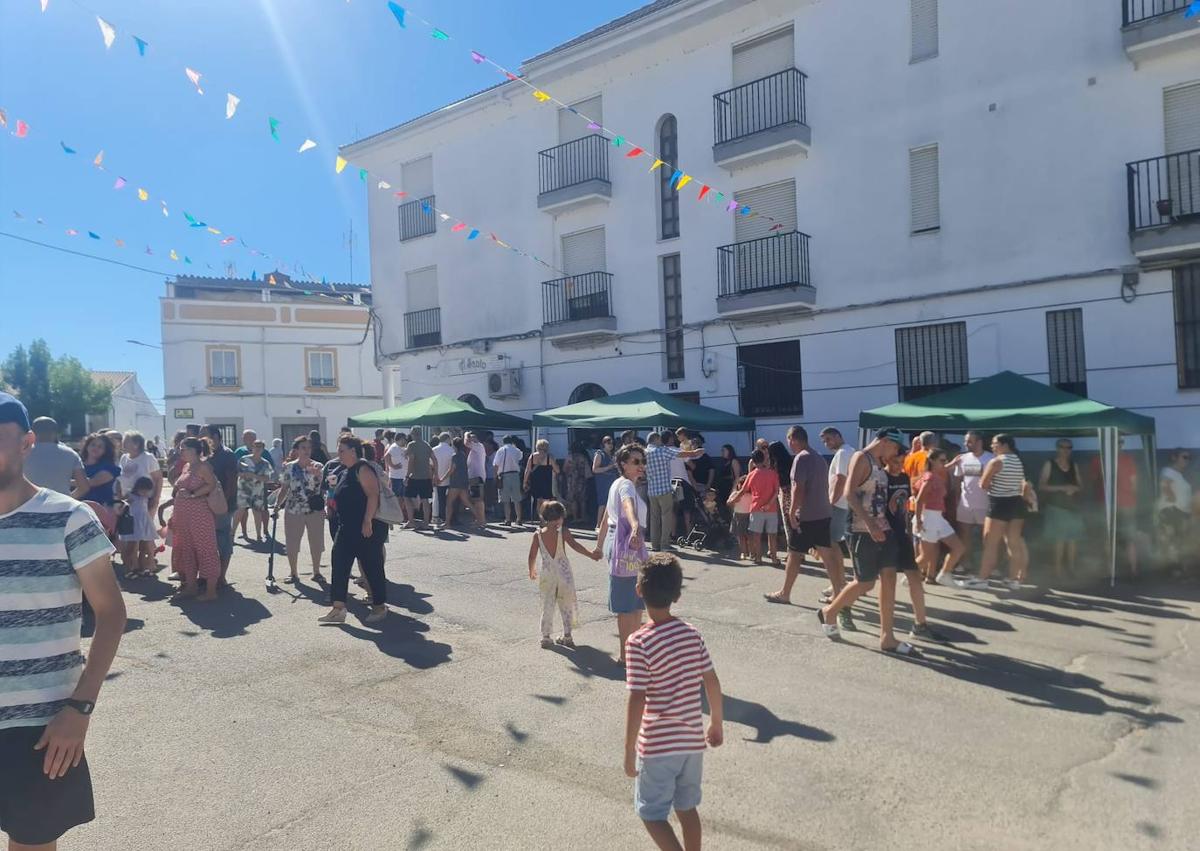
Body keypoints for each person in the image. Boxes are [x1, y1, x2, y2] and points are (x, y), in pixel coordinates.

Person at [0, 391, 126, 851]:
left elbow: (111, 615)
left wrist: (81, 708)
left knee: (32, 844)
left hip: (41, 725)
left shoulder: (69, 519)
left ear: (27, 442)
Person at [624, 553, 723, 851]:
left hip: (657, 746)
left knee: (652, 814)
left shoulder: (639, 642)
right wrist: (716, 722)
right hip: (692, 742)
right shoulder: (692, 635)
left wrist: (629, 749)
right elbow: (712, 681)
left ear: (638, 589)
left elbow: (637, 697)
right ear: (678, 595)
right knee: (686, 808)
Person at [817, 428, 919, 654]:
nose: (895, 452)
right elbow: (849, 493)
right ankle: (830, 612)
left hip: (884, 530)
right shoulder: (861, 458)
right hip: (862, 530)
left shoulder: (880, 462)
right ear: (884, 441)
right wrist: (870, 524)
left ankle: (887, 637)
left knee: (889, 579)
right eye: (894, 447)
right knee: (865, 582)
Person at [766, 427, 851, 630]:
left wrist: (792, 511)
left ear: (793, 440)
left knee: (794, 554)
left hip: (806, 515)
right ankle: (839, 593)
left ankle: (785, 593)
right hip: (823, 512)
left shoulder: (801, 458)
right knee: (827, 553)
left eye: (789, 440)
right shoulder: (819, 457)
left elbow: (798, 487)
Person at [318, 435, 388, 625]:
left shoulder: (363, 468)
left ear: (353, 451)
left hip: (365, 528)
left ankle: (379, 607)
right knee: (339, 564)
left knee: (371, 566)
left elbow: (373, 495)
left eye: (342, 450)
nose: (338, 454)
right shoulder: (344, 471)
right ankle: (338, 609)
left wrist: (367, 520)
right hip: (345, 527)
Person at [884, 452, 947, 642]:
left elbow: (905, 504)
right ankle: (837, 608)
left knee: (914, 578)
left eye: (902, 462)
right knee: (865, 583)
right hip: (884, 536)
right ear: (886, 459)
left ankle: (920, 625)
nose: (899, 465)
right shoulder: (880, 477)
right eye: (895, 461)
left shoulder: (904, 477)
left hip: (901, 535)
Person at [596, 444, 650, 665]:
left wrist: (599, 546)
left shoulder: (617, 484)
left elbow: (607, 515)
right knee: (628, 605)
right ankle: (625, 655)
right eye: (635, 461)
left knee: (636, 602)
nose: (640, 466)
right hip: (626, 545)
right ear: (623, 464)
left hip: (622, 543)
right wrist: (636, 525)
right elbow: (627, 507)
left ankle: (632, 652)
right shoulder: (626, 485)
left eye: (642, 461)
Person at [959, 434, 1030, 592]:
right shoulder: (1018, 460)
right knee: (1013, 543)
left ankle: (982, 578)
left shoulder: (996, 461)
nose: (992, 446)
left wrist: (988, 482)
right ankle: (1013, 580)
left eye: (995, 444)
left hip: (999, 504)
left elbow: (983, 484)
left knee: (990, 543)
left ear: (1005, 445)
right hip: (1017, 504)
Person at [527, 500, 600, 649]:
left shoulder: (538, 535)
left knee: (547, 604)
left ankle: (546, 636)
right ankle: (567, 635)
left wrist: (531, 569)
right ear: (560, 517)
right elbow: (575, 546)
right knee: (566, 603)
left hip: (547, 574)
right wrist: (591, 554)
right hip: (564, 573)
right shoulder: (563, 532)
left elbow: (532, 555)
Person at [169, 436, 221, 601]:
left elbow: (211, 485)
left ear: (194, 450)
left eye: (184, 449)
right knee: (187, 550)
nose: (181, 451)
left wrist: (192, 494)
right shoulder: (186, 466)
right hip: (183, 515)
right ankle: (191, 587)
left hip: (199, 514)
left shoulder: (203, 466)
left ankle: (211, 591)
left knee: (206, 550)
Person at [276, 436, 326, 584]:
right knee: (292, 542)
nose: (306, 450)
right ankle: (293, 573)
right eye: (303, 447)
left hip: (314, 510)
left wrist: (318, 476)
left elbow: (323, 487)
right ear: (296, 450)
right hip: (294, 510)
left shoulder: (318, 466)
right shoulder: (289, 467)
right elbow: (284, 488)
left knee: (316, 542)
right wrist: (277, 506)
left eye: (308, 448)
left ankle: (316, 572)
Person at [913, 448, 966, 586]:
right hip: (930, 518)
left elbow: (942, 468)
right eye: (942, 460)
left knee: (958, 548)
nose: (945, 463)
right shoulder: (930, 477)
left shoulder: (934, 474)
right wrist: (919, 521)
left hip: (937, 518)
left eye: (945, 460)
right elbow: (919, 500)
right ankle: (909, 577)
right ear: (932, 461)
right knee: (925, 556)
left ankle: (944, 574)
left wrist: (951, 464)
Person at [1089, 440, 1141, 577]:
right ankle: (1133, 570)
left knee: (1108, 538)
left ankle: (1110, 570)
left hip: (1107, 505)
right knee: (1129, 539)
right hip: (1127, 503)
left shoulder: (1098, 459)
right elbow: (1134, 483)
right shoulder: (1128, 459)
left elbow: (1093, 481)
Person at [645, 433, 704, 552]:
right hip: (664, 489)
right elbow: (682, 454)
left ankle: (655, 544)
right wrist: (696, 452)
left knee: (654, 518)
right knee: (666, 517)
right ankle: (665, 544)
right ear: (656, 439)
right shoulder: (662, 450)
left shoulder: (644, 452)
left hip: (651, 490)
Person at [116, 430, 163, 572]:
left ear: (136, 444)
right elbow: (121, 479)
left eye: (126, 441)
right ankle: (135, 563)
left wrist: (155, 499)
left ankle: (147, 562)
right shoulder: (124, 458)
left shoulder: (147, 458)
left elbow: (158, 478)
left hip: (144, 501)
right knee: (131, 533)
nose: (122, 443)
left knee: (144, 533)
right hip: (127, 502)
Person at [1038, 439, 1085, 580]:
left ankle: (1071, 568)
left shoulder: (1073, 465)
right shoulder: (1050, 464)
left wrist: (1074, 489)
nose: (1066, 450)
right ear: (1057, 448)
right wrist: (1062, 488)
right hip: (1056, 507)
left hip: (1073, 507)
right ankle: (1057, 570)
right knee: (1059, 540)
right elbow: (1041, 485)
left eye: (1069, 447)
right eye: (1063, 447)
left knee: (1073, 539)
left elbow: (1081, 485)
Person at [948, 431, 993, 575]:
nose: (966, 444)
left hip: (985, 504)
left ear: (979, 442)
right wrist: (956, 498)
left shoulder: (991, 458)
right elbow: (957, 479)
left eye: (969, 441)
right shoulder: (962, 458)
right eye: (965, 441)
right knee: (964, 534)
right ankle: (965, 562)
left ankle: (990, 566)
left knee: (988, 537)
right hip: (966, 503)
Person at [727, 448, 779, 565]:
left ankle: (758, 557)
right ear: (764, 459)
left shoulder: (751, 475)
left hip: (756, 507)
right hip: (771, 509)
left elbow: (742, 491)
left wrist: (732, 500)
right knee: (772, 535)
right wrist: (769, 504)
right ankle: (775, 558)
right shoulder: (773, 473)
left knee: (756, 535)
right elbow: (776, 491)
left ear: (753, 462)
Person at [202, 426, 238, 585]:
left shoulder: (227, 455)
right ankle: (209, 575)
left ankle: (221, 576)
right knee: (209, 541)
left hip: (223, 506)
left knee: (223, 540)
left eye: (205, 436)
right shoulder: (203, 455)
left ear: (216, 437)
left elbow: (231, 481)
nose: (201, 438)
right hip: (205, 505)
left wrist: (222, 504)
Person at [24, 416, 87, 496]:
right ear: (55, 433)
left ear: (32, 433)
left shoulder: (21, 453)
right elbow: (84, 487)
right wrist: (69, 500)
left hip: (28, 504)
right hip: (61, 505)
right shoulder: (71, 454)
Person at [1157, 448, 1194, 569]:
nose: (1187, 460)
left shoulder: (1179, 475)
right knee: (1173, 540)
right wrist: (1171, 497)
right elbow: (1165, 484)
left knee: (1179, 540)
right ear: (1174, 457)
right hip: (1172, 510)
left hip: (1181, 512)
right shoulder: (1168, 471)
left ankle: (1177, 567)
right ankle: (1174, 568)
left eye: (1188, 458)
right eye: (1184, 457)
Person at [819, 428, 855, 549]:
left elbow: (840, 479)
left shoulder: (842, 453)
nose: (826, 443)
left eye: (828, 439)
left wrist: (831, 502)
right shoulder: (850, 451)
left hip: (839, 504)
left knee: (832, 541)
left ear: (838, 436)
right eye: (824, 441)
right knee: (845, 540)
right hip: (847, 503)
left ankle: (835, 567)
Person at [234, 440, 273, 543]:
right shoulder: (244, 459)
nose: (257, 448)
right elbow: (236, 472)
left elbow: (267, 478)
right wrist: (241, 474)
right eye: (255, 446)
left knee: (257, 512)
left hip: (257, 491)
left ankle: (259, 535)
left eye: (260, 447)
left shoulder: (265, 463)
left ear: (263, 449)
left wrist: (255, 476)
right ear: (252, 447)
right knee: (240, 511)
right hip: (244, 489)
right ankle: (232, 533)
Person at [122, 476, 159, 578]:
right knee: (132, 546)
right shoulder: (131, 496)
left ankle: (143, 567)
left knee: (145, 546)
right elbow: (123, 504)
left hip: (144, 522)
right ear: (138, 488)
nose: (146, 493)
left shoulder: (146, 497)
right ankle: (131, 568)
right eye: (144, 490)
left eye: (148, 491)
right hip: (134, 522)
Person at [73, 432, 121, 507]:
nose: (95, 448)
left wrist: (65, 482)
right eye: (93, 444)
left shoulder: (110, 468)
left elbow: (91, 483)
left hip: (101, 509)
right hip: (78, 507)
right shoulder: (77, 464)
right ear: (87, 446)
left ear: (105, 450)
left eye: (100, 447)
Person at [404, 427, 435, 528]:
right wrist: (436, 474)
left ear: (413, 434)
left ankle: (411, 521)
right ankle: (426, 522)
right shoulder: (427, 445)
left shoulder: (411, 445)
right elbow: (434, 459)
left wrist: (407, 476)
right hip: (426, 476)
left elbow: (411, 460)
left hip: (414, 476)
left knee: (407, 497)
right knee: (425, 499)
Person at [442, 436, 474, 530]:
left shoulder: (455, 456)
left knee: (449, 502)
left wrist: (442, 478)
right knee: (466, 501)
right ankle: (480, 518)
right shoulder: (463, 455)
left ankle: (447, 523)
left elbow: (451, 470)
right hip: (464, 481)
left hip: (455, 482)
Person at [493, 435, 525, 526]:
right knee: (517, 499)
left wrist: (495, 476)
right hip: (515, 475)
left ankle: (508, 519)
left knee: (506, 500)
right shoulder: (516, 450)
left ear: (503, 442)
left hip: (504, 475)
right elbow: (520, 458)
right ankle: (519, 519)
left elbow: (496, 465)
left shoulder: (500, 450)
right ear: (512, 442)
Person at [525, 438, 559, 519]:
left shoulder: (532, 456)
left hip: (535, 481)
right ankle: (545, 518)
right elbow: (557, 470)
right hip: (546, 482)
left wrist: (525, 481)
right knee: (546, 501)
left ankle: (541, 519)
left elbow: (527, 470)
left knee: (538, 501)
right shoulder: (549, 458)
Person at [384, 431, 411, 524]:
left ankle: (401, 515)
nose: (405, 441)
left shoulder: (401, 448)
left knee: (403, 497)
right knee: (398, 497)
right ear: (400, 439)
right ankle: (397, 516)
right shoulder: (394, 447)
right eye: (404, 439)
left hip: (402, 476)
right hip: (396, 477)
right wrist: (393, 466)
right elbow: (386, 457)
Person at [561, 441, 591, 524]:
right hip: (582, 480)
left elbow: (564, 469)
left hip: (571, 480)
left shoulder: (569, 457)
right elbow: (588, 471)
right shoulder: (583, 457)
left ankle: (575, 518)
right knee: (583, 500)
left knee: (573, 499)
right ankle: (583, 516)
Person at [592, 435, 619, 527]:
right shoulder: (599, 454)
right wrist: (609, 467)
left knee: (612, 502)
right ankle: (598, 524)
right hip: (603, 481)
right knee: (602, 503)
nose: (610, 445)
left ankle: (609, 524)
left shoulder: (613, 455)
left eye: (612, 443)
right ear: (603, 444)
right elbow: (595, 469)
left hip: (612, 480)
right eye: (608, 442)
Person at [712, 444, 741, 523]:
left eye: (724, 450)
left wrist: (733, 489)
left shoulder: (734, 461)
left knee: (731, 508)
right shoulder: (724, 462)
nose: (722, 452)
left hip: (730, 487)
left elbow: (737, 476)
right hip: (722, 488)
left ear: (729, 451)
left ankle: (735, 525)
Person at [465, 431, 488, 530]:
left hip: (476, 477)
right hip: (475, 477)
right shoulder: (476, 448)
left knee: (478, 499)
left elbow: (466, 443)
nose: (470, 441)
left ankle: (481, 520)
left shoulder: (478, 446)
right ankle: (479, 519)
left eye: (471, 438)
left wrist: (466, 434)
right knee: (476, 499)